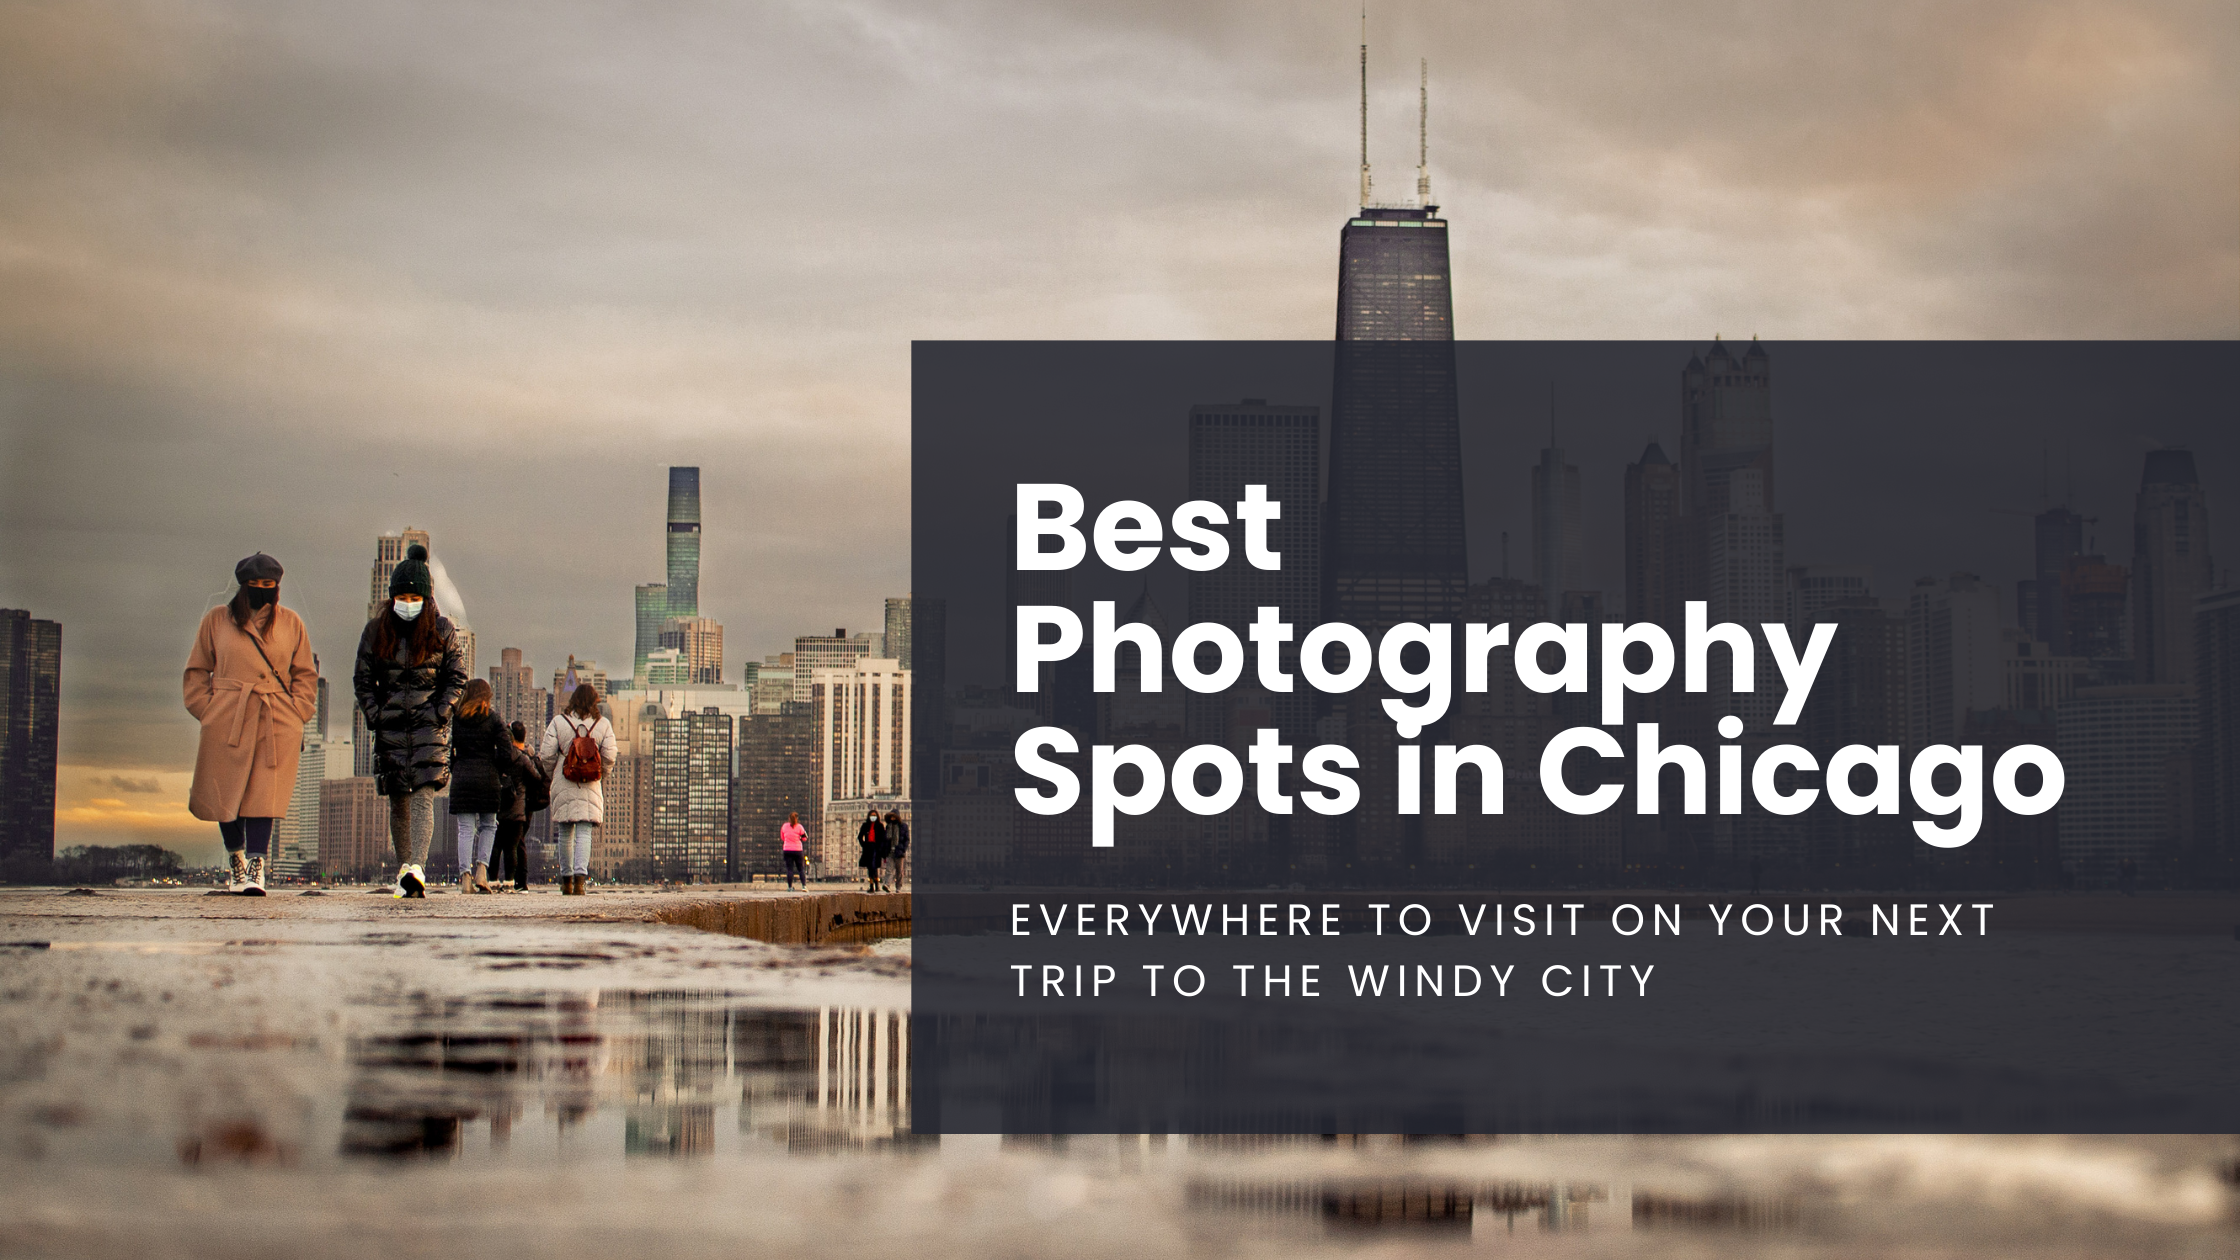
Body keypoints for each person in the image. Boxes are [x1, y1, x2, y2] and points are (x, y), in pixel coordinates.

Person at [184, 553, 318, 896]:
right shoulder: (217, 621)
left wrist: (298, 713)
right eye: (255, 585)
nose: (262, 591)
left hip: (276, 718)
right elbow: (197, 670)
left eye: (268, 586)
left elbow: (305, 674)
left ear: (277, 587)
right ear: (242, 587)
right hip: (228, 716)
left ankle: (257, 866)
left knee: (264, 793)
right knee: (224, 792)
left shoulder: (291, 623)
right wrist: (208, 710)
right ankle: (236, 859)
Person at [353, 544, 467, 899]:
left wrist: (439, 713)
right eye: (401, 596)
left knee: (422, 798)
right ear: (391, 597)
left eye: (413, 596)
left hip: (427, 727)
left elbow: (457, 679)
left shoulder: (443, 631)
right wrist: (374, 714)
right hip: (389, 728)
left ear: (426, 597)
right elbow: (362, 680)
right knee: (398, 802)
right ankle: (405, 867)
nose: (407, 602)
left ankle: (417, 865)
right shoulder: (375, 632)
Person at [446, 680, 543, 894]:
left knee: (465, 829)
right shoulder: (493, 718)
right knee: (488, 826)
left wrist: (458, 768)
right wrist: (497, 769)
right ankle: (482, 870)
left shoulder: (457, 719)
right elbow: (506, 749)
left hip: (462, 778)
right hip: (487, 779)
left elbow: (449, 749)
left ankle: (465, 877)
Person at [539, 683, 614, 896]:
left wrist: (554, 771)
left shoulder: (558, 722)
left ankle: (567, 881)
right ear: (594, 701)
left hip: (564, 779)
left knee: (564, 833)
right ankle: (581, 881)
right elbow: (610, 756)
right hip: (590, 782)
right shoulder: (603, 724)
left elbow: (545, 755)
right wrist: (600, 774)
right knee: (584, 832)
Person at [489, 720, 545, 892]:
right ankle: (512, 882)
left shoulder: (498, 756)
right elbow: (538, 777)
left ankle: (492, 880)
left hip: (498, 806)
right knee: (514, 846)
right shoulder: (524, 758)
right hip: (519, 808)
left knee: (496, 845)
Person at [856, 806, 885, 892]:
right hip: (868, 848)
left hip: (876, 848)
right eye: (871, 815)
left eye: (874, 815)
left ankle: (876, 885)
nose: (873, 817)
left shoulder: (880, 826)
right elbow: (860, 837)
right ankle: (872, 885)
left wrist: (880, 847)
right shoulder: (865, 825)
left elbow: (883, 838)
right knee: (870, 867)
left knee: (874, 866)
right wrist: (864, 845)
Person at [779, 811, 808, 890]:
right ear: (797, 819)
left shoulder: (784, 826)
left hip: (787, 850)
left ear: (789, 819)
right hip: (798, 850)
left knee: (789, 869)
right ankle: (804, 886)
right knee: (800, 869)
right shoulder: (800, 827)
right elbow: (805, 838)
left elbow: (782, 837)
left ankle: (790, 887)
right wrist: (799, 838)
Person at [883, 809, 909, 892]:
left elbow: (907, 839)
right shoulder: (888, 826)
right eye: (891, 816)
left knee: (899, 871)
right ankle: (887, 884)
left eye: (894, 816)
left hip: (899, 852)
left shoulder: (903, 826)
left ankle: (898, 887)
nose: (892, 818)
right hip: (890, 851)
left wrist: (903, 849)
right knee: (889, 869)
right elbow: (886, 839)